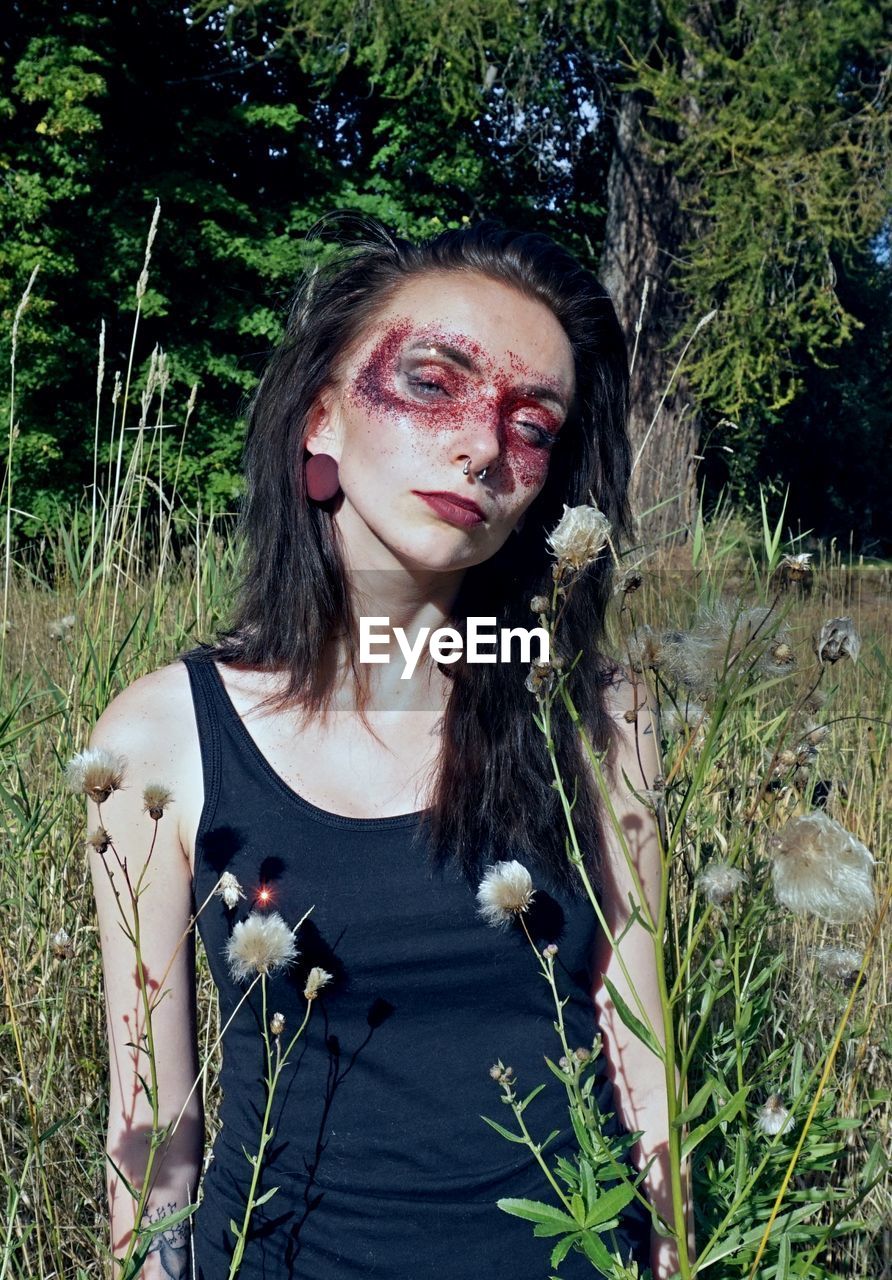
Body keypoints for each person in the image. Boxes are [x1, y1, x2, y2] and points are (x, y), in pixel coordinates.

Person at [86, 216, 693, 1279]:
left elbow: (638, 1055)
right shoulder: (157, 739)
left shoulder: (594, 716)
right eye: (430, 382)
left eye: (531, 423)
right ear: (321, 417)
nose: (480, 444)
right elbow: (156, 1142)